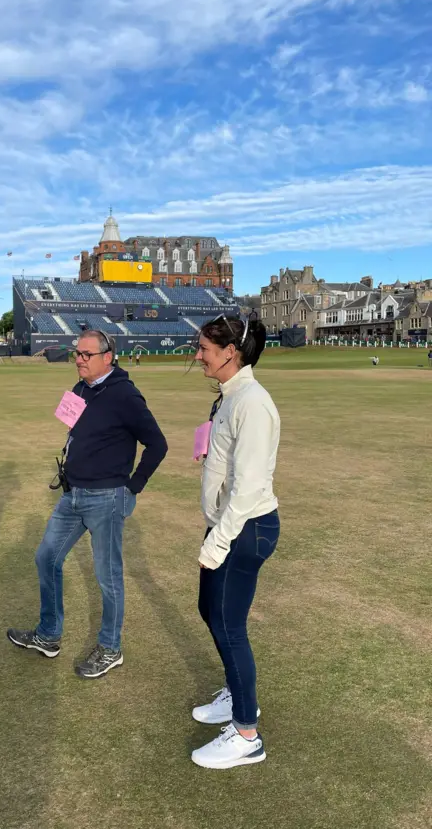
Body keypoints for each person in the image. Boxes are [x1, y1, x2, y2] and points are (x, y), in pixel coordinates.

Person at [7, 330, 167, 678]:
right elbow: (74, 430)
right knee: (46, 557)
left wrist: (132, 488)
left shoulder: (125, 395)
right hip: (73, 495)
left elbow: (158, 444)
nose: (78, 359)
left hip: (107, 497)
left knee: (107, 577)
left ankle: (110, 647)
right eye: (76, 353)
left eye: (86, 354)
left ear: (108, 357)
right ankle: (49, 636)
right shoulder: (80, 389)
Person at [190, 314, 280, 770]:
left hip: (245, 528)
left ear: (231, 352)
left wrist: (218, 541)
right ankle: (235, 694)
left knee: (229, 625)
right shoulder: (230, 397)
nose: (198, 355)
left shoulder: (252, 402)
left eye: (205, 348)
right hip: (229, 523)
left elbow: (247, 488)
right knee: (211, 611)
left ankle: (247, 732)